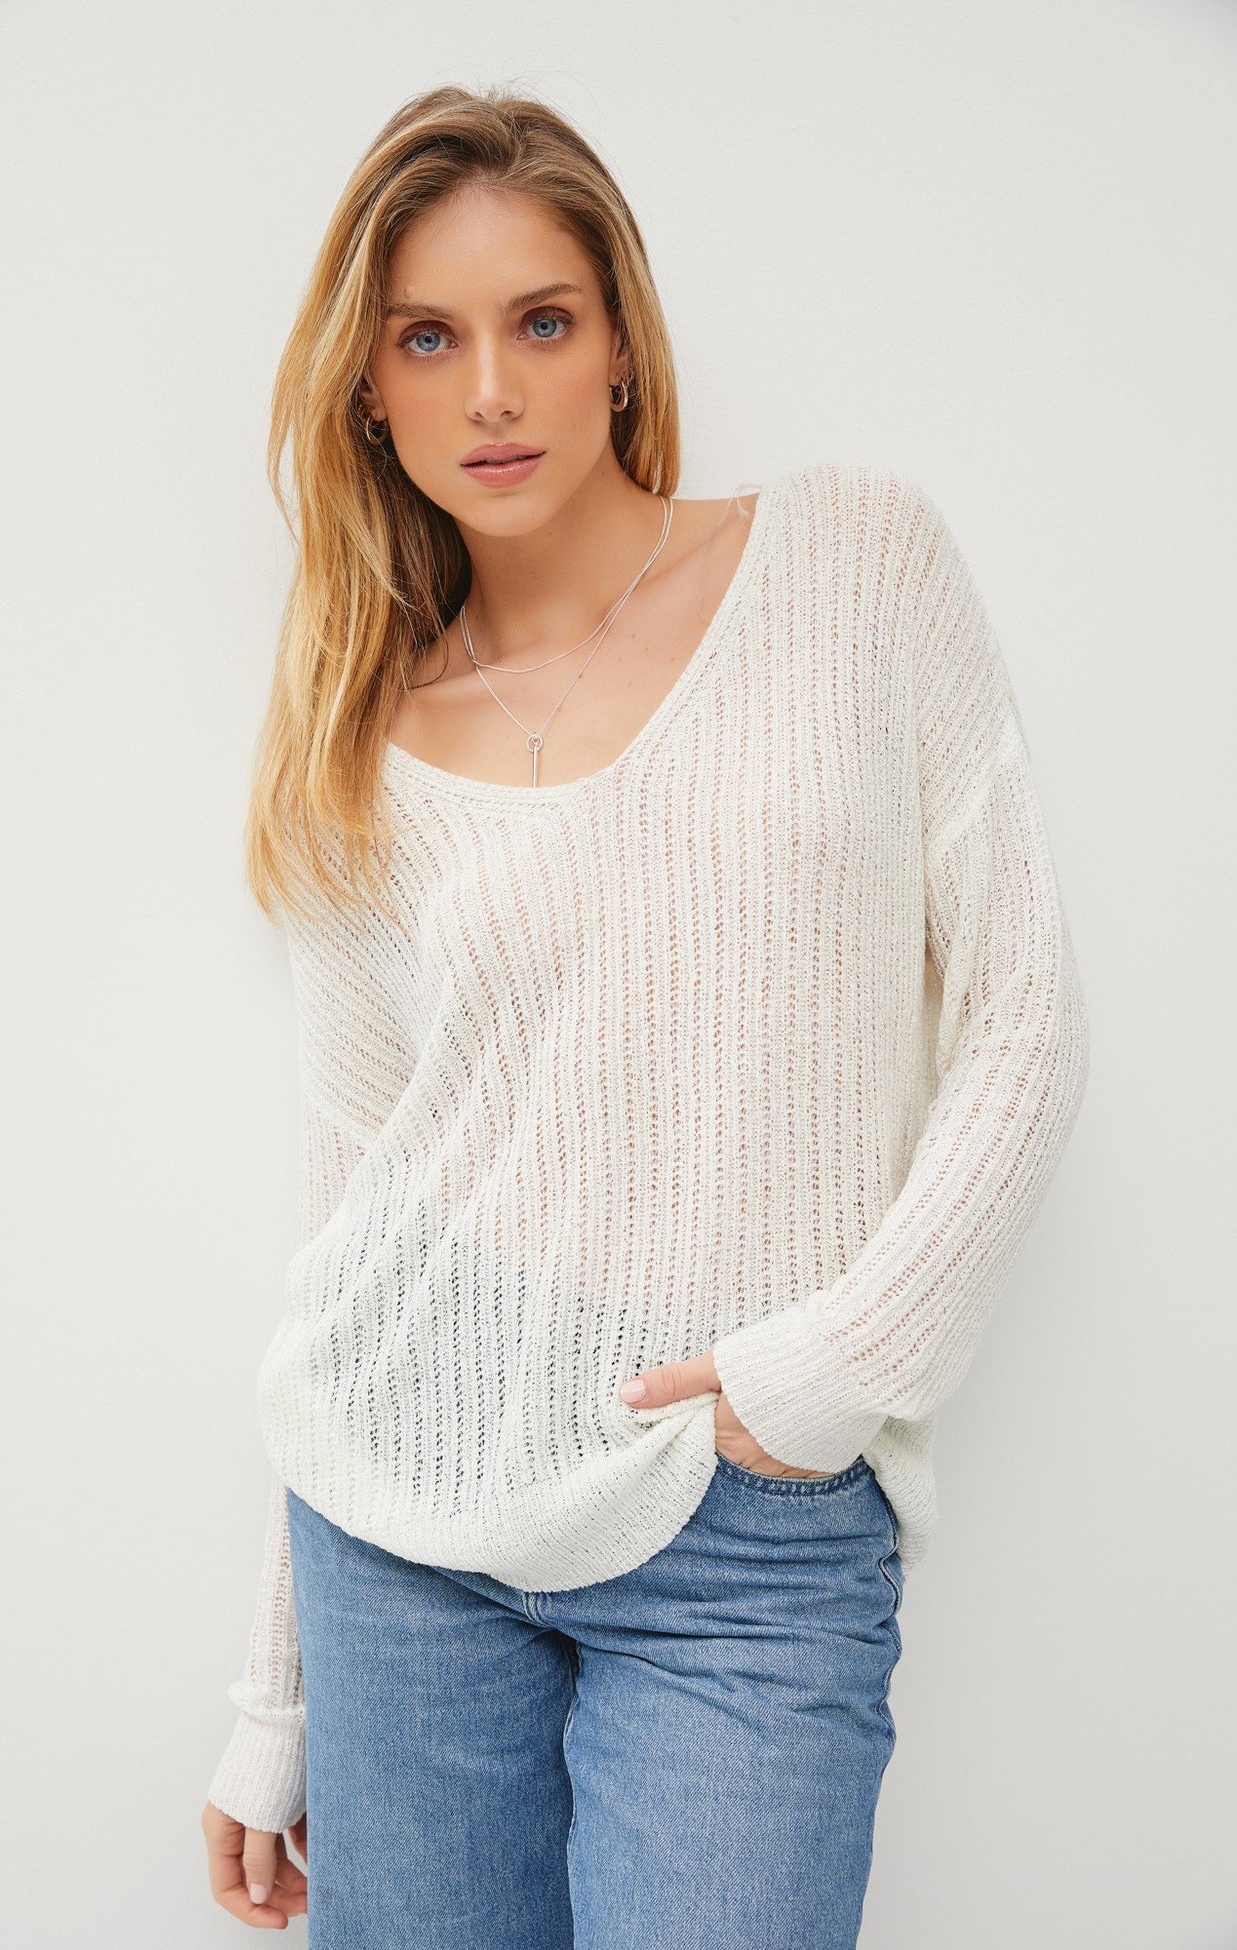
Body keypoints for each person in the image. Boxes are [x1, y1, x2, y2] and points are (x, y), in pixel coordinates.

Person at [201, 82, 1090, 1948]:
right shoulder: (366, 743)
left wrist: (834, 1368)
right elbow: (352, 1204)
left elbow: (1024, 1012)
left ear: (620, 342)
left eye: (541, 321)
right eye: (427, 340)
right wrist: (274, 1692)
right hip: (403, 1541)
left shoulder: (854, 564)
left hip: (748, 1545)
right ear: (368, 393)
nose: (492, 391)